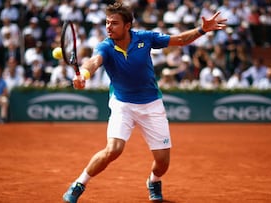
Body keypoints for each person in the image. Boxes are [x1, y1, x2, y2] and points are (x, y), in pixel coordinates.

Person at [62, 2, 226, 203]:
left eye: (114, 23)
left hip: (151, 105)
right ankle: (79, 184)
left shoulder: (145, 39)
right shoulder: (105, 45)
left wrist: (202, 30)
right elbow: (94, 61)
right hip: (123, 104)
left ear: (127, 25)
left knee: (163, 162)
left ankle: (153, 181)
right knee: (113, 149)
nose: (108, 27)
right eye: (107, 23)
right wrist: (84, 75)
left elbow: (180, 40)